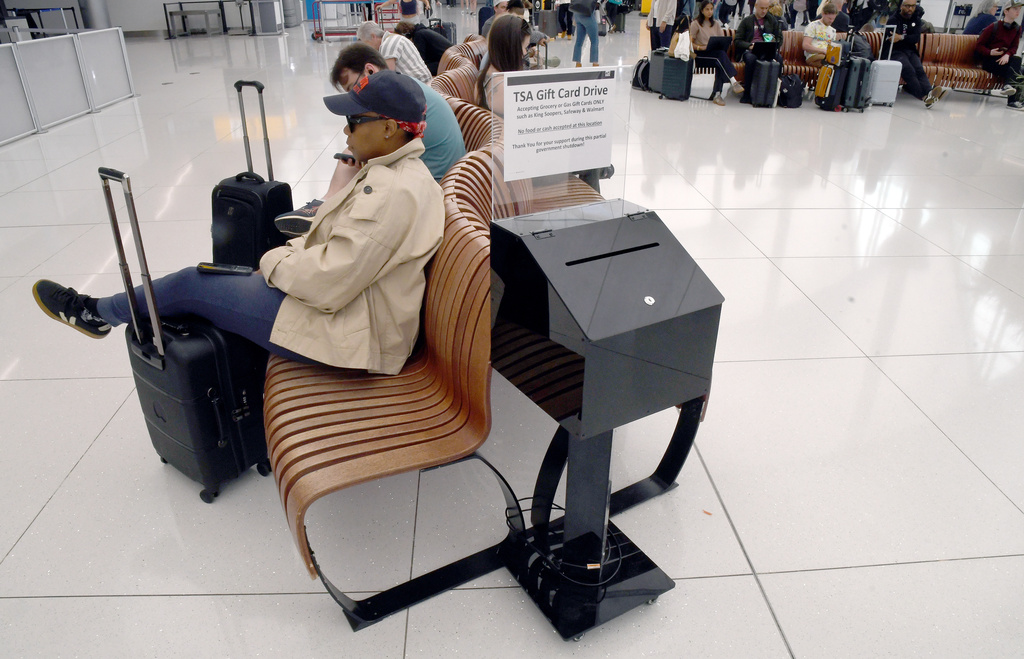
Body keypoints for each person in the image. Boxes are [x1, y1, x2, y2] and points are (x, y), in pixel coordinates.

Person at [33, 71, 444, 378]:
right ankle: (105, 312)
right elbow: (344, 257)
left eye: (354, 120)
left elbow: (329, 281)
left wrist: (273, 262)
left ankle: (96, 314)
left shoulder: (391, 191)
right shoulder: (396, 174)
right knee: (214, 277)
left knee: (191, 283)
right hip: (358, 314)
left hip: (353, 335)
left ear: (389, 129)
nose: (345, 129)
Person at [275, 43, 465, 235]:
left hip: (435, 187)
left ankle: (325, 207)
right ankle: (325, 206)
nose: (353, 96)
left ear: (370, 70)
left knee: (353, 152)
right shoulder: (404, 89)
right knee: (353, 150)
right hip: (445, 180)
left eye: (352, 87)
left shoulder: (395, 97)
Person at [884, 0, 948, 107]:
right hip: (894, 51)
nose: (910, 9)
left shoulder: (916, 20)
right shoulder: (893, 20)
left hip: (910, 50)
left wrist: (901, 37)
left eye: (913, 6)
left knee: (919, 69)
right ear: (901, 6)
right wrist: (903, 37)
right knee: (909, 70)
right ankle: (925, 97)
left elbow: (915, 38)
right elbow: (892, 38)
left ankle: (930, 92)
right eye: (908, 6)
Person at [690, 0, 744, 104]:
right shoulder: (695, 24)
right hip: (700, 55)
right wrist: (701, 47)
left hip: (714, 54)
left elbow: (721, 39)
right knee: (720, 58)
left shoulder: (715, 24)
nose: (710, 12)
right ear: (701, 11)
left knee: (720, 59)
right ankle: (733, 82)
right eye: (707, 9)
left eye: (711, 9)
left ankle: (717, 94)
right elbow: (690, 44)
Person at [477, 14, 532, 113]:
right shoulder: (503, 88)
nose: (525, 53)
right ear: (511, 48)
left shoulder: (488, 74)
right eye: (525, 47)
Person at [975, 0, 1023, 110]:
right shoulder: (994, 27)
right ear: (1006, 11)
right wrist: (990, 52)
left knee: (1018, 67)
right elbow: (979, 45)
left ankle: (1010, 93)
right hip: (990, 61)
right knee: (1016, 67)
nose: (1018, 11)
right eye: (1015, 9)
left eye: (1019, 9)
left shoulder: (1017, 29)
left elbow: (1014, 47)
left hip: (1004, 61)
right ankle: (1012, 101)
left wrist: (1007, 55)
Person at [734, 0, 785, 103]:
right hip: (750, 50)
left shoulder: (771, 20)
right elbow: (737, 40)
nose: (764, 11)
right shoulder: (747, 21)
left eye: (766, 8)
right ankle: (747, 93)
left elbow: (779, 38)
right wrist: (749, 46)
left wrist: (773, 43)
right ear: (756, 6)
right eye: (762, 8)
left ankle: (775, 92)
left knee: (778, 59)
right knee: (751, 59)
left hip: (766, 49)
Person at [356, 20, 432, 84]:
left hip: (421, 87)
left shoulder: (388, 45)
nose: (367, 48)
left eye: (366, 43)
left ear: (373, 36)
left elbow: (387, 79)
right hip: (424, 83)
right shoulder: (393, 38)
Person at [803, 1, 839, 67]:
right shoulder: (813, 26)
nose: (831, 21)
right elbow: (805, 45)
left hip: (827, 57)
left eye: (833, 19)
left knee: (835, 64)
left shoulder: (833, 31)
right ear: (823, 14)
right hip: (813, 56)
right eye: (829, 18)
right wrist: (822, 51)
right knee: (828, 62)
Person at [572, 0, 602, 65]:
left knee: (579, 41)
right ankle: (595, 62)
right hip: (587, 15)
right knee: (594, 41)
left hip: (577, 15)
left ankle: (578, 63)